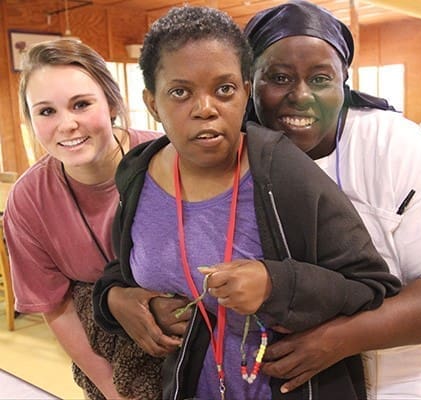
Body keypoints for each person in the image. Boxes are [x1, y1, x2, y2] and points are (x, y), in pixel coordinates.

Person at [92, 5, 401, 400]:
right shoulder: (138, 174)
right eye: (181, 92)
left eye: (224, 90)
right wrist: (118, 301)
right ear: (153, 103)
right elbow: (118, 271)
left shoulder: (283, 172)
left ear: (244, 91)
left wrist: (276, 285)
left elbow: (371, 286)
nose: (206, 108)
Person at [242, 1, 421, 399]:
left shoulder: (396, 145)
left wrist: (343, 337)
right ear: (249, 83)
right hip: (306, 374)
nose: (301, 95)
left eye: (321, 78)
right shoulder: (237, 152)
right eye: (279, 77)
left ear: (344, 84)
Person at [3, 39, 164, 400]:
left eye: (81, 104)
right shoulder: (29, 202)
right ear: (30, 121)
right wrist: (113, 391)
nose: (67, 124)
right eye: (46, 112)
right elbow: (56, 306)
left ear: (111, 103)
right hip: (107, 346)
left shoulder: (165, 159)